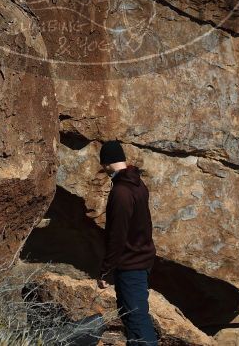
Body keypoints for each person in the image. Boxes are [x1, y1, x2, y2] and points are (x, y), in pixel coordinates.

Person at [97, 140, 158, 346]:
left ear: (106, 163)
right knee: (130, 317)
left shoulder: (121, 192)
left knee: (137, 319)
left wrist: (105, 270)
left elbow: (117, 236)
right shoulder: (138, 184)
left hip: (131, 264)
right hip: (141, 259)